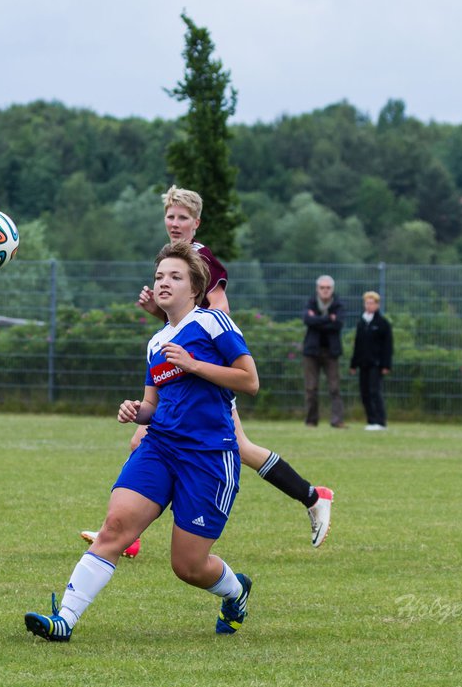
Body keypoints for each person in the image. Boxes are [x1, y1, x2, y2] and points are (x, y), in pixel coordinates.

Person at [80, 185, 334, 551]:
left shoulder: (198, 256)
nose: (175, 223)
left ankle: (126, 534)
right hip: (189, 374)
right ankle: (312, 495)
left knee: (149, 439)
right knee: (237, 448)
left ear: (196, 223)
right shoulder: (175, 259)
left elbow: (218, 311)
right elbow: (184, 323)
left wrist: (202, 360)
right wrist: (159, 313)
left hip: (204, 377)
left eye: (183, 217)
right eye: (171, 216)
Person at [26, 243, 258, 642]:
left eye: (175, 276)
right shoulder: (155, 343)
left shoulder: (213, 323)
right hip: (161, 447)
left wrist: (194, 364)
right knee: (114, 527)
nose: (163, 282)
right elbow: (153, 404)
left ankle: (235, 591)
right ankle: (65, 619)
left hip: (208, 456)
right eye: (159, 276)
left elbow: (249, 381)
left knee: (187, 565)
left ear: (195, 288)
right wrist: (137, 410)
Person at [302, 275, 346, 428]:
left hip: (331, 352)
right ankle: (311, 421)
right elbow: (307, 321)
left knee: (334, 388)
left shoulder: (338, 304)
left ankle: (337, 420)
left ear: (332, 289)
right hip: (311, 352)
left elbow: (338, 324)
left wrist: (318, 320)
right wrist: (328, 319)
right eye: (322, 287)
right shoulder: (311, 302)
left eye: (328, 288)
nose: (325, 290)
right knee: (311, 387)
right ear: (317, 289)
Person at [349, 291, 392, 430]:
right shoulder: (362, 323)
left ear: (377, 305)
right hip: (363, 363)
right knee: (365, 392)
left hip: (376, 364)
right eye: (367, 303)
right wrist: (353, 364)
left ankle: (380, 421)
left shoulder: (382, 323)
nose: (369, 305)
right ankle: (371, 420)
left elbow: (388, 346)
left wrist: (386, 364)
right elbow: (357, 344)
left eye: (372, 303)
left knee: (375, 391)